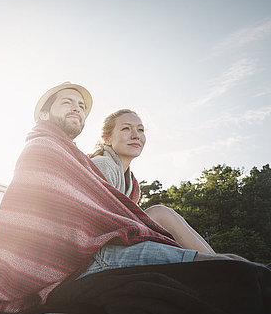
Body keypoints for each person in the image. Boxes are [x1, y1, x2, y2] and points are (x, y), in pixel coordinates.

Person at [0, 82, 244, 314]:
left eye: (81, 106)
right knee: (226, 268)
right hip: (89, 255)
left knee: (222, 265)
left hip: (102, 246)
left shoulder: (78, 160)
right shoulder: (49, 150)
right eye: (67, 102)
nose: (77, 109)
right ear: (44, 114)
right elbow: (73, 214)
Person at [88, 109, 219, 255]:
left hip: (116, 235)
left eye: (140, 130)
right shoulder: (103, 164)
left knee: (170, 216)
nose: (136, 135)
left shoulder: (130, 180)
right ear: (107, 139)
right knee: (160, 213)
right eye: (126, 128)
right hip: (98, 244)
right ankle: (221, 264)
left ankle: (219, 261)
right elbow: (95, 218)